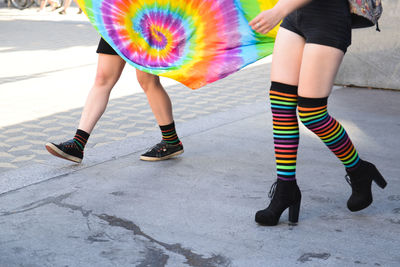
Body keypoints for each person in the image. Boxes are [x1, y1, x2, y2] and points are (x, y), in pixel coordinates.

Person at [249, 0, 387, 226]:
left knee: (312, 113)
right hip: (294, 16)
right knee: (281, 105)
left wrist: (278, 10)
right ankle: (286, 188)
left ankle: (359, 169)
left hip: (329, 17)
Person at [45, 38, 183, 163]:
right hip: (117, 19)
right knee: (102, 79)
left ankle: (171, 141)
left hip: (147, 19)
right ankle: (77, 144)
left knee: (148, 81)